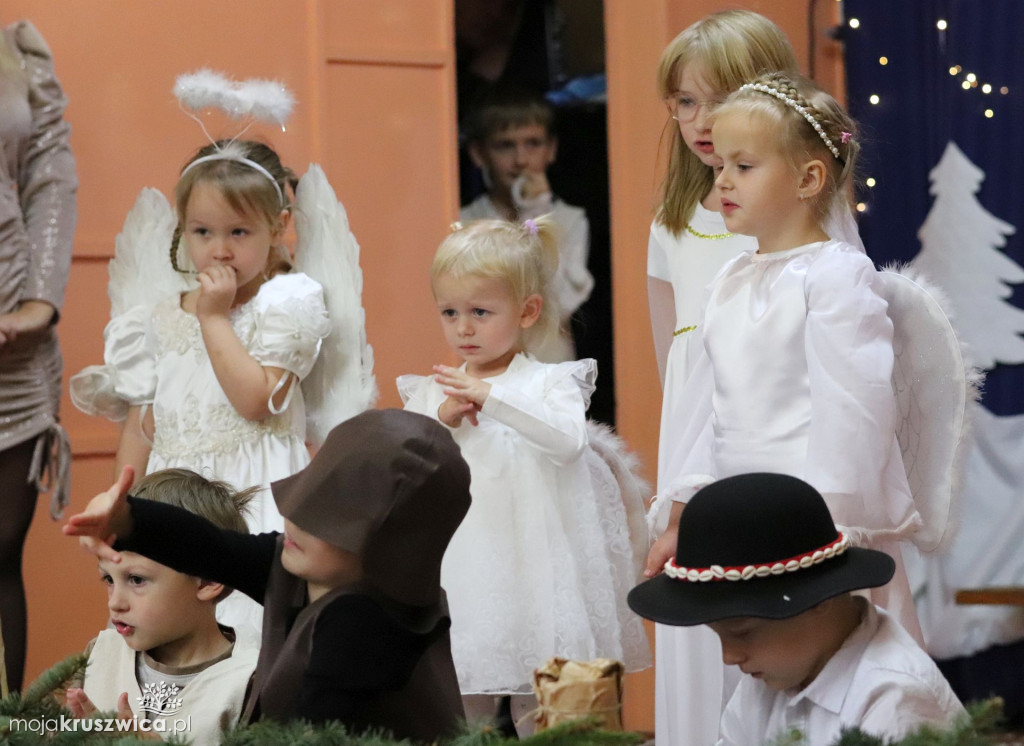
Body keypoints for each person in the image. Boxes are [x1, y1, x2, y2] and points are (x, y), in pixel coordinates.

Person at [648, 71, 926, 656]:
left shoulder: (836, 275)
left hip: (818, 533)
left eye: (743, 167)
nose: (722, 180)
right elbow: (710, 418)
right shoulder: (730, 279)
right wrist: (681, 520)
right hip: (746, 528)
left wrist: (829, 536)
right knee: (761, 670)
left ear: (808, 178)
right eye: (719, 165)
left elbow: (856, 413)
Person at [64, 409, 470, 742]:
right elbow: (212, 547)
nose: (293, 520)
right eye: (304, 498)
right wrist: (126, 519)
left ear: (385, 547)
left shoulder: (363, 629)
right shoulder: (304, 566)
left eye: (324, 519)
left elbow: (305, 736)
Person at [70, 138, 333, 642]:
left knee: (250, 636)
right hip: (173, 501)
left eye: (239, 231)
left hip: (253, 497)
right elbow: (141, 430)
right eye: (202, 231)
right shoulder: (162, 317)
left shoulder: (287, 303)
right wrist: (122, 510)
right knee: (173, 638)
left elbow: (255, 400)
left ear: (277, 228)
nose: (219, 249)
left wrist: (214, 316)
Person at [398, 217, 649, 734]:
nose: (463, 327)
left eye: (480, 312)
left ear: (527, 311)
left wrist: (494, 399)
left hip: (539, 571)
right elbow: (406, 466)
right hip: (467, 572)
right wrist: (441, 418)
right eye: (449, 312)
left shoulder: (548, 382)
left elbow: (567, 443)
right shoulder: (432, 390)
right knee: (468, 701)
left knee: (545, 705)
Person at [645, 12, 799, 745]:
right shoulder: (671, 223)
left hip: (774, 436)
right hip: (694, 447)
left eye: (721, 97)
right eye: (684, 102)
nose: (701, 121)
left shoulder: (798, 212)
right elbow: (670, 357)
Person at [629, 473, 964, 745]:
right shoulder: (779, 670)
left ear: (819, 599)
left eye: (741, 632)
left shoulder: (893, 697)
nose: (729, 657)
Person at [65, 468, 259, 746]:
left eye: (136, 579)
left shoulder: (249, 681)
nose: (115, 602)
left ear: (206, 581)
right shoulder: (99, 656)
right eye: (108, 579)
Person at [0, 19, 77, 694]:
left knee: (0, 552)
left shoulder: (16, 47)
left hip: (15, 349)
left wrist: (39, 300)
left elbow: (48, 176)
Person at [462, 85, 593, 362]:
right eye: (505, 145)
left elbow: (558, 306)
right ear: (478, 153)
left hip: (548, 370)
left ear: (551, 149)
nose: (521, 160)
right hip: (485, 372)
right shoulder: (465, 222)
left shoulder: (570, 220)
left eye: (533, 143)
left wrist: (536, 213)